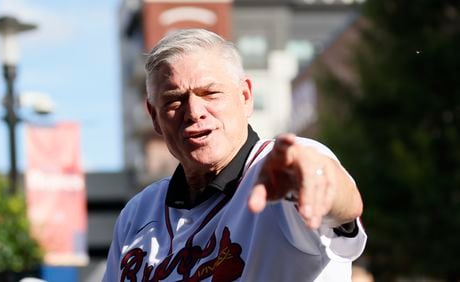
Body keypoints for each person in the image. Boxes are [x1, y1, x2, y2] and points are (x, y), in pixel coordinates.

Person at [103, 29, 367, 282]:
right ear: (155, 117)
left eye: (211, 93)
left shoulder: (282, 169)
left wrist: (319, 180)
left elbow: (342, 205)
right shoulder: (137, 214)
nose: (194, 111)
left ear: (245, 96)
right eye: (174, 100)